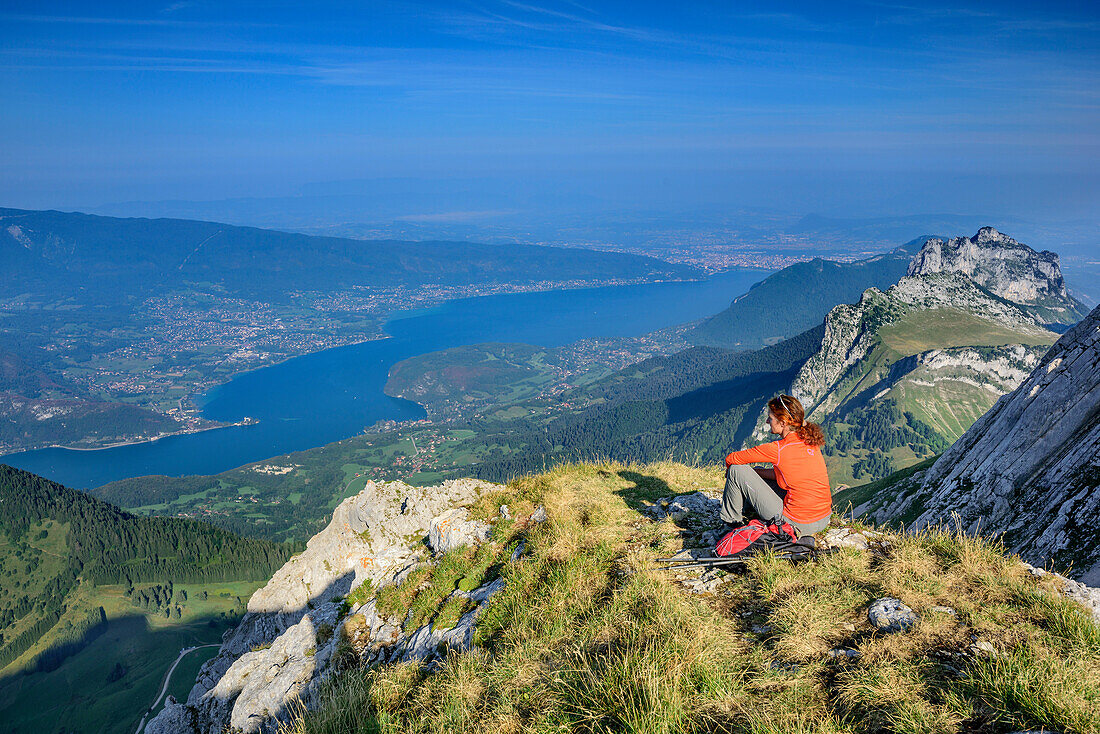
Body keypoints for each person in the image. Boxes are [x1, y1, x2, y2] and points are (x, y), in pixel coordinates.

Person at [720, 394, 832, 539]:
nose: (767, 421)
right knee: (755, 472)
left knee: (737, 469)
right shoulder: (809, 440)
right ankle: (747, 508)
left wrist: (733, 475)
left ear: (783, 422)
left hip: (795, 523)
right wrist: (754, 473)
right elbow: (785, 475)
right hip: (823, 518)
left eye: (770, 418)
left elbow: (732, 459)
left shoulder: (779, 449)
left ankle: (730, 525)